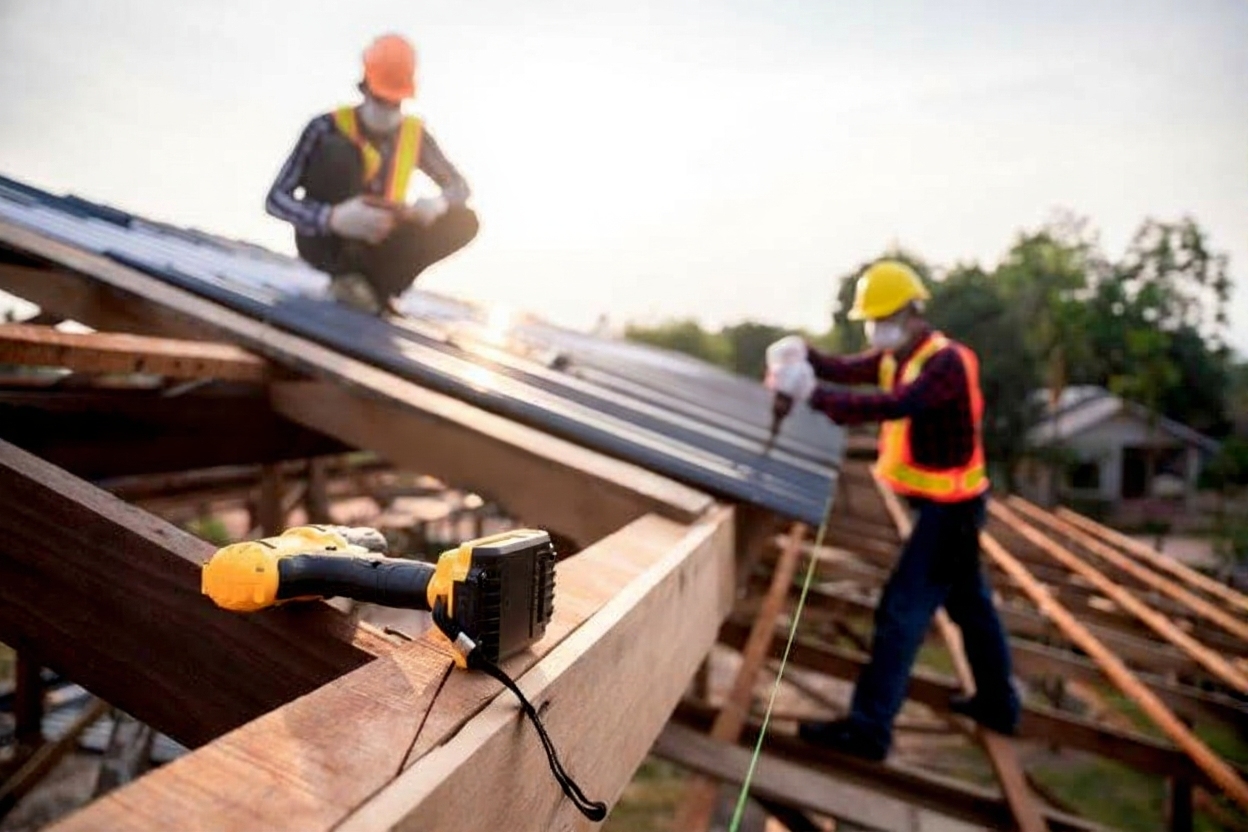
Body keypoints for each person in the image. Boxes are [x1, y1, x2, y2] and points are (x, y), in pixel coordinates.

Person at [764, 259, 1020, 762]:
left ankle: (869, 729)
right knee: (972, 608)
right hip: (947, 509)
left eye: (879, 318)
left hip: (951, 510)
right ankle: (998, 704)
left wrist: (813, 396)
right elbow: (847, 369)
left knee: (900, 614)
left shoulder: (944, 362)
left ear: (910, 313)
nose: (873, 328)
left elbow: (894, 406)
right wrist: (805, 357)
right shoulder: (895, 356)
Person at [266, 33, 478, 315]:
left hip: (383, 246)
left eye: (395, 102)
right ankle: (346, 280)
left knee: (463, 219)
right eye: (381, 98)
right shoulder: (325, 127)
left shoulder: (415, 137)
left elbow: (460, 187)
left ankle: (380, 287)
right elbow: (276, 199)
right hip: (329, 242)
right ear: (365, 87)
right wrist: (332, 218)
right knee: (339, 152)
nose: (387, 108)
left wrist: (436, 204)